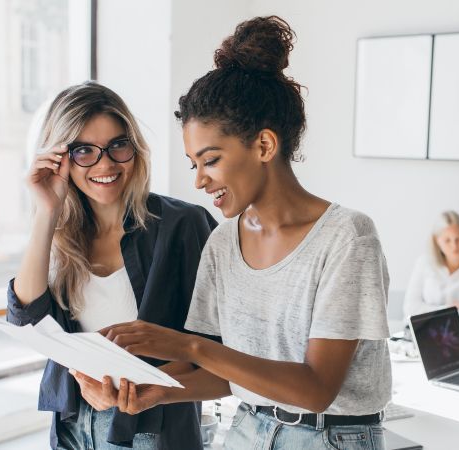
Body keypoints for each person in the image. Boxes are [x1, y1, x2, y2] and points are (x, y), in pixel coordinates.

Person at [101, 16, 391, 450]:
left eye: (211, 160)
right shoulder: (222, 243)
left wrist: (189, 347)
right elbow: (225, 374)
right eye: (193, 164)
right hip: (248, 428)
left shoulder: (347, 237)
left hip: (331, 436)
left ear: (264, 146)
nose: (199, 180)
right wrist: (155, 390)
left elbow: (316, 389)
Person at [7, 81, 217, 449]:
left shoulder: (182, 224)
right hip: (74, 428)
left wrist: (130, 389)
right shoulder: (60, 234)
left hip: (151, 428)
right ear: (60, 159)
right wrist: (46, 211)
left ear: (135, 148)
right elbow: (27, 319)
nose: (105, 164)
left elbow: (214, 346)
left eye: (118, 145)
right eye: (83, 151)